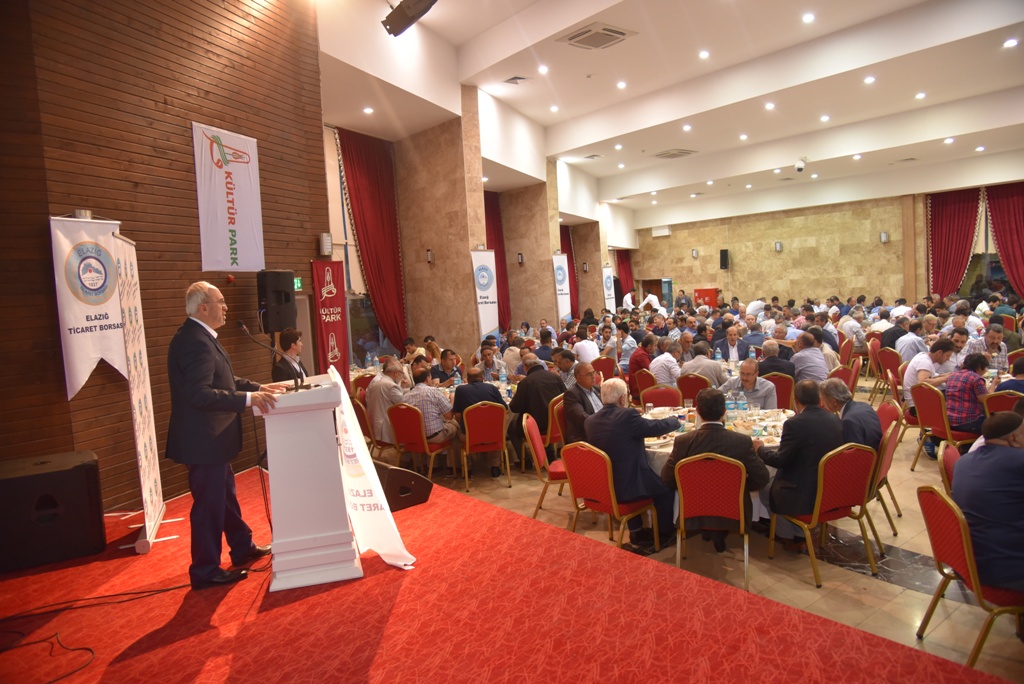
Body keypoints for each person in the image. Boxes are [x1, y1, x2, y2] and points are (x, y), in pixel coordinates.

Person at [166, 282, 287, 589]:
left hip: (212, 441)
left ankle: (242, 546)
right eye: (220, 301)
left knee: (225, 496)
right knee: (209, 507)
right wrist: (248, 400)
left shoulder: (200, 336)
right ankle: (205, 570)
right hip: (204, 441)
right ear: (203, 307)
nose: (226, 307)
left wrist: (257, 388)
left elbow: (224, 379)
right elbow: (199, 394)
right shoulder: (195, 341)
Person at [662, 388, 770, 552]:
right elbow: (762, 477)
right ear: (725, 411)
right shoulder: (741, 441)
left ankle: (708, 529)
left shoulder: (683, 441)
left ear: (698, 411)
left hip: (694, 505)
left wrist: (690, 487)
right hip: (733, 509)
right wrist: (737, 487)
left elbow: (667, 477)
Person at [584, 379, 679, 547]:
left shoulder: (590, 421)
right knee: (666, 488)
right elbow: (655, 427)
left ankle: (636, 530)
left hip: (604, 485)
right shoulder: (627, 416)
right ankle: (664, 533)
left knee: (626, 468)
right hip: (629, 485)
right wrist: (675, 419)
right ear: (623, 398)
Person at [755, 380, 844, 551]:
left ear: (795, 400)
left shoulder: (795, 424)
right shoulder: (834, 418)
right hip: (830, 485)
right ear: (819, 398)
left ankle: (790, 535)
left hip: (804, 491)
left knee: (766, 485)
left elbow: (780, 460)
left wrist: (760, 449)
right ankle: (796, 531)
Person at [951, 411, 1024, 591]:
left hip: (966, 561)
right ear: (1014, 438)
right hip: (1006, 569)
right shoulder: (1018, 460)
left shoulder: (964, 461)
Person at [509, 353, 566, 461]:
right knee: (544, 413)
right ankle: (549, 453)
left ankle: (525, 460)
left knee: (511, 428)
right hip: (558, 423)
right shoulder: (555, 377)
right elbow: (565, 397)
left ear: (525, 367)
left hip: (537, 426)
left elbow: (515, 407)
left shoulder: (526, 382)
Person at [452, 368, 508, 478]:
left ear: (467, 380)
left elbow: (457, 415)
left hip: (469, 437)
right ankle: (495, 466)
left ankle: (465, 468)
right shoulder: (492, 388)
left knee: (454, 430)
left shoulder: (460, 390)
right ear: (482, 378)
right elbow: (504, 409)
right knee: (494, 427)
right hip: (492, 436)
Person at [404, 368, 461, 476]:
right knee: (455, 425)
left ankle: (432, 465)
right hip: (433, 436)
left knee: (437, 423)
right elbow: (449, 416)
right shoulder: (434, 392)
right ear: (427, 378)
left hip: (414, 437)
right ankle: (453, 467)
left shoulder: (406, 396)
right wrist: (452, 399)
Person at [819, 378, 882, 450]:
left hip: (868, 455)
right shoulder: (865, 405)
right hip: (874, 449)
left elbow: (853, 453)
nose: (822, 404)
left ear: (834, 402)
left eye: (823, 400)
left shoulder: (848, 421)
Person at [945, 353, 1000, 435]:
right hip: (969, 422)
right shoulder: (976, 379)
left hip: (949, 421)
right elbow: (986, 400)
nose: (986, 371)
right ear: (979, 367)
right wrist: (994, 384)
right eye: (985, 368)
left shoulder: (953, 375)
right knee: (999, 424)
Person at [902, 339, 955, 416]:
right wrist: (945, 378)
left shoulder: (923, 356)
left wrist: (946, 375)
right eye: (947, 355)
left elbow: (930, 377)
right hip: (917, 406)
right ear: (939, 353)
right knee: (954, 400)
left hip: (917, 400)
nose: (948, 359)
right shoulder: (925, 362)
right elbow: (923, 383)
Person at [366, 357, 407, 445]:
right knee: (414, 421)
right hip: (385, 428)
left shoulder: (380, 381)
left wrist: (402, 388)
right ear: (396, 373)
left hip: (375, 423)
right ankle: (412, 451)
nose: (402, 377)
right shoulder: (390, 385)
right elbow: (404, 403)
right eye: (402, 374)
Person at [563, 362, 603, 444]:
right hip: (586, 436)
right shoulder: (572, 394)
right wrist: (604, 423)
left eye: (594, 372)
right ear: (578, 377)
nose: (594, 376)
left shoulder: (596, 389)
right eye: (589, 374)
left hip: (602, 429)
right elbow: (582, 417)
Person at [628, 333, 657, 401]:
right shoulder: (641, 355)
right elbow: (651, 371)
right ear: (649, 346)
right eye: (655, 346)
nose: (656, 348)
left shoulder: (640, 351)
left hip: (638, 385)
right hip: (639, 389)